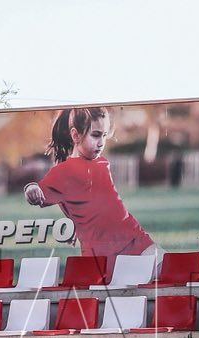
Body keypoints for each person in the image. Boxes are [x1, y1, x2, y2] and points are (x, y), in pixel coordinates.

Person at [22, 106, 155, 260]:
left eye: (104, 135)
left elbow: (89, 201)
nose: (101, 143)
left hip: (136, 240)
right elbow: (39, 192)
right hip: (102, 256)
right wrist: (31, 188)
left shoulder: (102, 162)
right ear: (75, 135)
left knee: (169, 267)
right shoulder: (63, 172)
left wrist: (74, 222)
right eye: (96, 135)